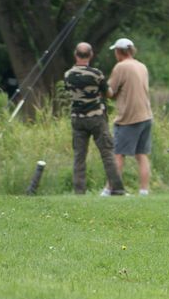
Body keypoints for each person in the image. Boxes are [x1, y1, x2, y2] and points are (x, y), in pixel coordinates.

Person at [64, 42, 126, 195]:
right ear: (91, 55)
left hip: (77, 119)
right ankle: (117, 189)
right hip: (96, 118)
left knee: (79, 156)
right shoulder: (96, 74)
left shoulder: (68, 75)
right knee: (107, 154)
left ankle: (79, 192)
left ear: (75, 54)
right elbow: (109, 93)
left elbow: (69, 92)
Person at [107, 38, 153, 195]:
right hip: (146, 115)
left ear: (119, 51)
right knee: (142, 155)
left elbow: (110, 91)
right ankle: (144, 191)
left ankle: (111, 189)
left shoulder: (121, 67)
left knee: (118, 154)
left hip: (128, 118)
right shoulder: (142, 66)